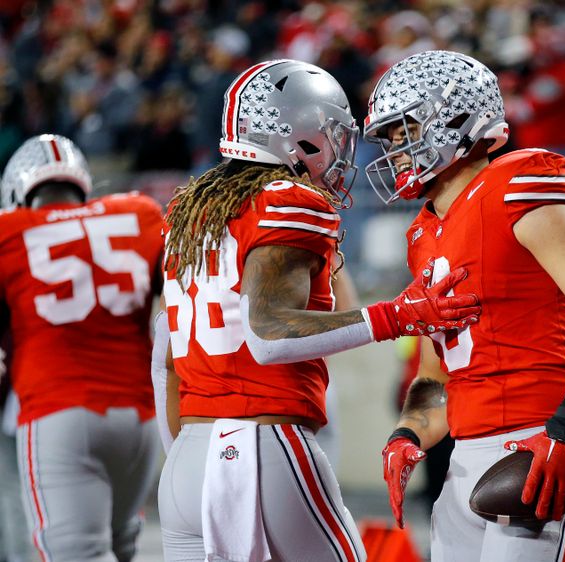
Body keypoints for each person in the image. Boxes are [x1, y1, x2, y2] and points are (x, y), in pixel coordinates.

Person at [153, 59, 481, 562]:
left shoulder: (194, 213)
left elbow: (165, 357)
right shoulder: (287, 199)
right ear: (297, 137)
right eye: (329, 133)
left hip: (187, 458)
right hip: (261, 445)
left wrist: (188, 451)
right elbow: (269, 335)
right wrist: (399, 315)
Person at [363, 50, 565, 562]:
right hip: (463, 459)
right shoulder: (422, 233)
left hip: (538, 447)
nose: (396, 151)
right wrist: (408, 434)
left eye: (405, 132)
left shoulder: (516, 184)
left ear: (455, 120)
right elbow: (435, 376)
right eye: (390, 139)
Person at [0, 134, 164, 562]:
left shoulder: (8, 233)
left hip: (58, 413)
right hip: (141, 419)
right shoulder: (138, 213)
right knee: (120, 547)